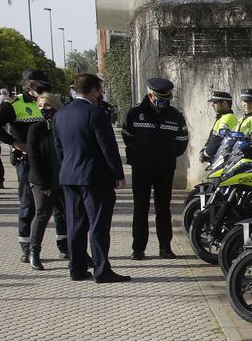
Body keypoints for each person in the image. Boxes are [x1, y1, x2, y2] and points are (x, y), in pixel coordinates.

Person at [54, 73, 130, 284]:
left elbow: (58, 148)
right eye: (101, 90)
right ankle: (101, 270)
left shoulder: (61, 114)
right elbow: (108, 147)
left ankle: (77, 269)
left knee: (75, 224)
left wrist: (67, 167)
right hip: (94, 178)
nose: (101, 94)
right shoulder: (95, 113)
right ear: (95, 90)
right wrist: (118, 174)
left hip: (69, 176)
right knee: (98, 224)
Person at [0, 69, 54, 261]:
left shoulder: (50, 101)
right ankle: (27, 247)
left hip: (50, 160)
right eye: (41, 84)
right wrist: (14, 142)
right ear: (31, 85)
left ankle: (64, 245)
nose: (45, 87)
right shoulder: (15, 104)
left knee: (57, 205)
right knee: (28, 204)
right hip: (26, 161)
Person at [121, 76, 190, 260]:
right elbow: (127, 136)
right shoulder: (135, 113)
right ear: (150, 95)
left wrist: (166, 155)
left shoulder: (175, 116)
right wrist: (139, 154)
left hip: (164, 168)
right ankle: (138, 249)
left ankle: (165, 248)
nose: (163, 103)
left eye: (166, 99)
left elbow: (182, 141)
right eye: (160, 99)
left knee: (163, 208)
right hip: (141, 168)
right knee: (140, 208)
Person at [25, 92, 67, 269]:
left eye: (48, 106)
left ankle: (71, 249)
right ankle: (34, 252)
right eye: (41, 106)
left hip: (64, 179)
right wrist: (44, 184)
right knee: (42, 214)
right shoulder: (36, 129)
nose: (44, 110)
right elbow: (33, 157)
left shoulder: (64, 126)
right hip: (43, 181)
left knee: (69, 216)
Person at [199, 90, 239, 164]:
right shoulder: (222, 117)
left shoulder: (228, 118)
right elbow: (212, 136)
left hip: (223, 160)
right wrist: (205, 149)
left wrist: (206, 153)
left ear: (224, 103)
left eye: (215, 103)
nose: (212, 105)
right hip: (217, 159)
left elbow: (218, 139)